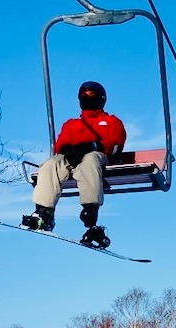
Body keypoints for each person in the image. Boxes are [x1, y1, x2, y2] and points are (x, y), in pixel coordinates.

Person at [21, 82, 126, 248]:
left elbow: (114, 143)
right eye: (84, 95)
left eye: (91, 95)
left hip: (98, 158)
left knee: (90, 160)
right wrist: (69, 151)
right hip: (73, 160)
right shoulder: (71, 124)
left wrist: (91, 146)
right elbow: (60, 146)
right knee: (52, 163)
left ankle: (90, 211)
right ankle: (43, 214)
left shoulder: (111, 121)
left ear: (101, 98)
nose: (87, 98)